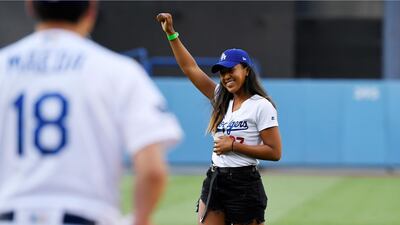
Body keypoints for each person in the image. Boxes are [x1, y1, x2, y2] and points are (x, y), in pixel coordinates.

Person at [0, 1, 183, 225]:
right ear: (91, 10)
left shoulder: (4, 65)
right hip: (84, 216)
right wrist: (140, 218)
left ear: (30, 7)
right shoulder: (118, 71)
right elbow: (152, 170)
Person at [156, 13, 282, 225]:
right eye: (222, 72)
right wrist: (171, 35)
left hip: (245, 184)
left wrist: (233, 146)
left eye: (231, 70)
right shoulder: (221, 98)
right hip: (216, 179)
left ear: (247, 71)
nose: (226, 76)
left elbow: (275, 152)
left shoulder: (261, 105)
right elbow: (190, 68)